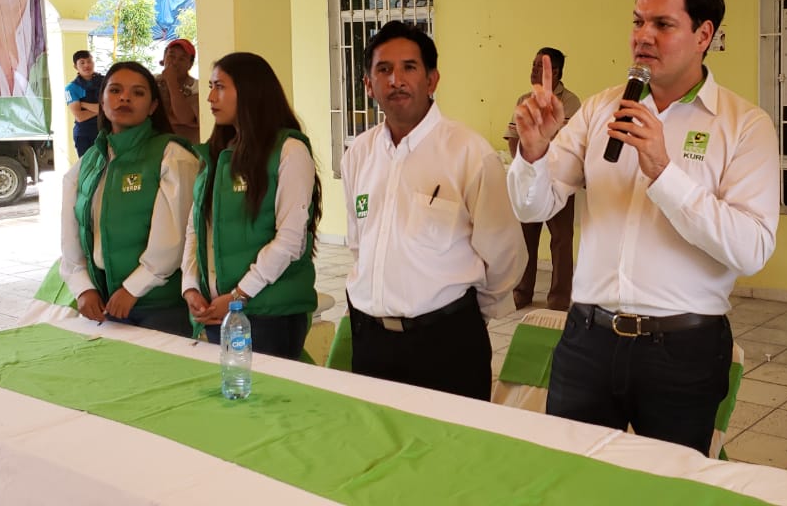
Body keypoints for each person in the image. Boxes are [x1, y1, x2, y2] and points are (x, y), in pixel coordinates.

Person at [507, 0, 781, 455]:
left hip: (682, 351)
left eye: (662, 24)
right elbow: (533, 207)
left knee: (668, 491)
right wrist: (532, 153)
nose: (643, 37)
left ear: (704, 35)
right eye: (637, 22)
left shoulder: (744, 126)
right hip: (587, 340)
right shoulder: (597, 110)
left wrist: (663, 172)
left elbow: (752, 249)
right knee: (576, 482)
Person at [341, 21, 525, 400]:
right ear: (367, 84)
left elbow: (505, 255)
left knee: (453, 454)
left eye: (409, 67)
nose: (396, 80)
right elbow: (360, 245)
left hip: (446, 345)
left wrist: (466, 317)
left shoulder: (468, 152)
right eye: (383, 70)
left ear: (432, 79)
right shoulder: (358, 154)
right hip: (370, 342)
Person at [180, 52, 322, 360]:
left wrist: (238, 295)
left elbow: (290, 241)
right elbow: (196, 228)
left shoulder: (289, 151)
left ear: (250, 91)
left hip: (268, 314)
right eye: (210, 86)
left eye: (220, 87)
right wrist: (191, 286)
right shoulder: (217, 154)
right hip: (220, 309)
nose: (209, 97)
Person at [59, 61, 197, 337]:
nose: (124, 98)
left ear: (153, 106)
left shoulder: (171, 155)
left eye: (138, 93)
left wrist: (133, 288)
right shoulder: (91, 159)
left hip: (159, 305)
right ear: (101, 99)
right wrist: (83, 286)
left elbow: (173, 238)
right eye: (115, 90)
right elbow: (71, 232)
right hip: (105, 303)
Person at [504, 47, 582, 310]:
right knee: (525, 238)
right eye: (533, 64)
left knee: (561, 240)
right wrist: (524, 162)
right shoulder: (524, 99)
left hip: (558, 182)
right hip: (528, 180)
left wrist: (543, 162)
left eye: (541, 66)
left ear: (556, 72)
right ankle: (522, 291)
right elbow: (514, 137)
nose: (534, 70)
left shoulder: (571, 102)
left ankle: (559, 298)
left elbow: (568, 145)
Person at [155, 38, 200, 142]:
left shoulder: (198, 88)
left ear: (190, 64)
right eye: (171, 56)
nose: (175, 62)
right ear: (163, 58)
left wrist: (171, 82)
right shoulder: (152, 82)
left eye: (182, 59)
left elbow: (184, 118)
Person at [64, 50, 102, 157]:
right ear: (75, 67)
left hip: (105, 131)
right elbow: (80, 116)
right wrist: (101, 109)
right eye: (82, 62)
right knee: (88, 168)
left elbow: (110, 107)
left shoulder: (106, 82)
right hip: (84, 135)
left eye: (89, 61)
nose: (86, 65)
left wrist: (83, 104)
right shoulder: (71, 88)